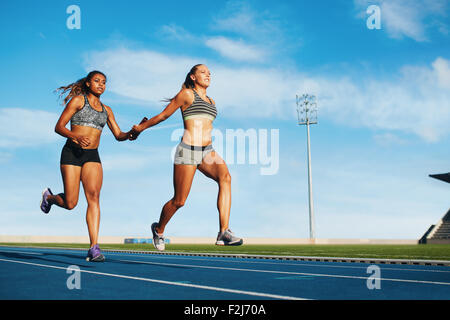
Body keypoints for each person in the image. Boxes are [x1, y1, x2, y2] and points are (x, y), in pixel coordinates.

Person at [130, 64, 243, 251]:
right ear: (192, 77)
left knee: (226, 178)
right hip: (187, 150)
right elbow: (163, 116)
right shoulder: (187, 95)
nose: (208, 75)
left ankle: (223, 231)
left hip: (207, 151)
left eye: (209, 73)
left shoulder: (212, 101)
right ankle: (158, 229)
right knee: (179, 201)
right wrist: (141, 128)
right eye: (203, 72)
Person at [40, 71, 133, 262]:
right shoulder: (78, 101)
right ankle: (49, 197)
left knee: (94, 198)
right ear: (89, 84)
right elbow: (59, 127)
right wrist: (75, 136)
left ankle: (94, 247)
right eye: (97, 81)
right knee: (71, 203)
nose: (101, 85)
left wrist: (133, 133)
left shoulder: (107, 110)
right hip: (72, 153)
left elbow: (118, 135)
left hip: (92, 156)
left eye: (104, 82)